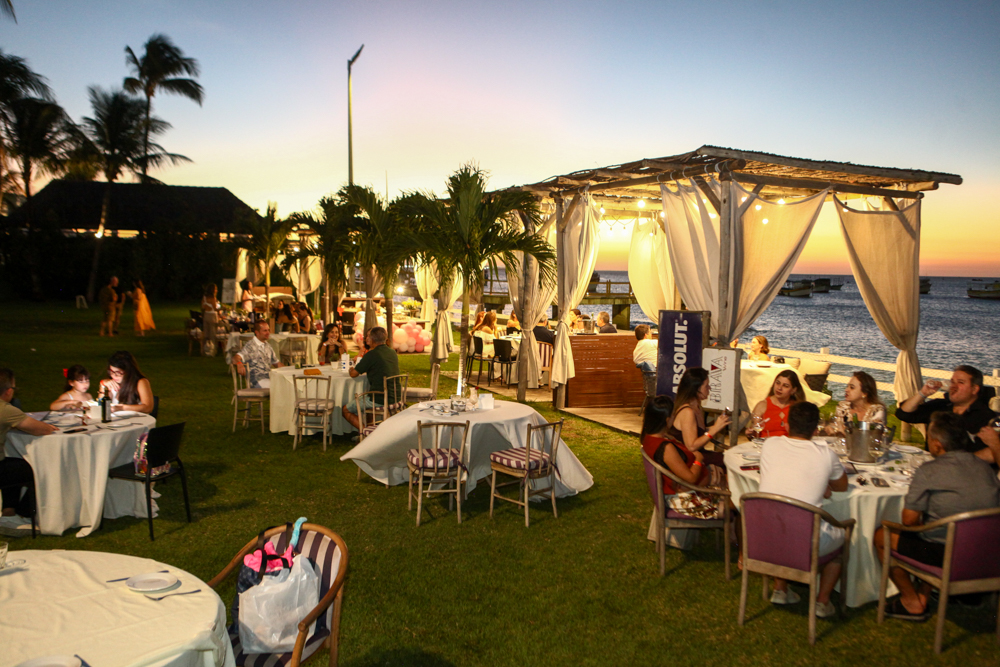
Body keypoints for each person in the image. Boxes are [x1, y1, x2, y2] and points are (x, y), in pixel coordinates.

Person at [874, 412, 1000, 621]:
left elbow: (909, 521)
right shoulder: (984, 467)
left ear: (937, 444)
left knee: (882, 536)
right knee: (934, 532)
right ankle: (924, 595)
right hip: (988, 552)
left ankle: (911, 601)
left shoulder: (929, 471)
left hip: (948, 554)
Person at [758, 402, 849, 618]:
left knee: (781, 515)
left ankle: (780, 588)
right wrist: (823, 482)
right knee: (843, 535)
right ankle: (822, 601)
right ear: (816, 430)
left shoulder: (770, 445)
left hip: (763, 537)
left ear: (787, 425)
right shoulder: (825, 454)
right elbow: (842, 486)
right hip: (803, 541)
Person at [641, 395, 728, 519]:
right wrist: (698, 459)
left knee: (731, 485)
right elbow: (691, 478)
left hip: (688, 490)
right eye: (673, 415)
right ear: (667, 420)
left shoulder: (649, 439)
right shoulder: (665, 447)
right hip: (687, 498)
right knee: (739, 501)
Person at [896, 365, 1000, 464]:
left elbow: (994, 452)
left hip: (965, 470)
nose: (953, 386)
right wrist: (923, 393)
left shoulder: (987, 417)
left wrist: (961, 462)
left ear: (974, 389)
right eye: (952, 382)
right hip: (931, 466)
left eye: (960, 382)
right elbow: (903, 414)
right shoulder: (941, 406)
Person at [0, 369, 59, 536]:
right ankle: (24, 514)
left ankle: (8, 511)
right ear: (8, 391)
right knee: (39, 468)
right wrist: (49, 427)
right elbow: (42, 429)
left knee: (13, 462)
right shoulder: (5, 410)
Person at [670, 367, 731, 466]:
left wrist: (717, 425)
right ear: (696, 389)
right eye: (706, 386)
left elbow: (695, 431)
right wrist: (714, 429)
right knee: (732, 462)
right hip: (690, 459)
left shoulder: (697, 407)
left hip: (698, 454)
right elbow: (691, 446)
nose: (709, 388)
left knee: (732, 458)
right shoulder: (687, 412)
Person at [342, 327, 399, 431]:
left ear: (372, 339)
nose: (366, 338)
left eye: (368, 336)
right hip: (395, 395)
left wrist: (350, 369)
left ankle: (367, 433)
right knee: (368, 401)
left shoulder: (371, 354)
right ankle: (370, 430)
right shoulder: (392, 352)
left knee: (345, 410)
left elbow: (354, 374)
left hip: (380, 398)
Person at [750, 370, 805, 439]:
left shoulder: (798, 407)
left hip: (790, 444)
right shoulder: (762, 405)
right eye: (778, 383)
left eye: (785, 386)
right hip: (767, 444)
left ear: (793, 390)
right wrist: (750, 433)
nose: (779, 388)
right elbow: (755, 433)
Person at [235, 321, 283, 389]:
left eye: (268, 330)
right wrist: (239, 364)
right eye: (265, 331)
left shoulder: (267, 346)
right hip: (256, 381)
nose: (268, 333)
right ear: (257, 332)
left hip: (269, 377)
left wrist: (289, 370)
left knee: (287, 384)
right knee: (279, 387)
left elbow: (277, 363)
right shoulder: (250, 346)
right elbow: (236, 357)